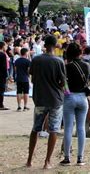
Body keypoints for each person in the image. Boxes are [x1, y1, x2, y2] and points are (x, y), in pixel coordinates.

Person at [26, 35, 67, 169]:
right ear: (55, 45)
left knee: (35, 129)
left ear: (45, 45)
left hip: (40, 98)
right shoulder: (59, 61)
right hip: (55, 100)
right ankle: (47, 161)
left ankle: (29, 160)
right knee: (53, 130)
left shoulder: (36, 60)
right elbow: (63, 83)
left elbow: (32, 78)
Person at [60, 42, 90, 166]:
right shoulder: (87, 65)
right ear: (80, 52)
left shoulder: (67, 67)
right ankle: (80, 158)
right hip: (83, 97)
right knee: (81, 128)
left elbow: (62, 82)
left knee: (68, 128)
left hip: (70, 96)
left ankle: (67, 157)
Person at [0, 41, 9, 110]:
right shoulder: (3, 55)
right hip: (1, 75)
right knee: (1, 90)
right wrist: (6, 76)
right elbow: (4, 67)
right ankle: (1, 105)